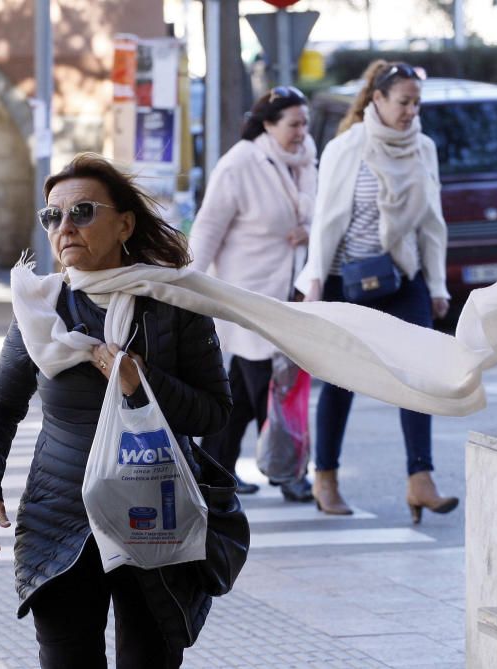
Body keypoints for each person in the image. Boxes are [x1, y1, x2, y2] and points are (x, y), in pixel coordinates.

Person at [0, 153, 233, 668]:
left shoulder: (172, 305)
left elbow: (215, 413)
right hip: (61, 517)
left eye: (83, 211)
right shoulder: (41, 312)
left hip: (156, 518)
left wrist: (144, 384)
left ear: (124, 223)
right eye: (53, 216)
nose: (65, 227)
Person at [294, 60, 457, 523]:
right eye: (403, 102)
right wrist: (315, 284)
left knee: (419, 377)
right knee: (342, 381)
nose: (410, 111)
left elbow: (432, 222)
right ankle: (325, 476)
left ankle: (420, 480)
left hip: (404, 280)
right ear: (378, 100)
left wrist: (438, 284)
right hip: (350, 281)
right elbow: (326, 221)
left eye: (416, 103)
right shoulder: (348, 148)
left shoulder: (423, 148)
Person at [188, 86, 318, 498]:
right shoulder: (240, 164)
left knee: (242, 393)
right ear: (267, 124)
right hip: (248, 294)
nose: (302, 132)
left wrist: (309, 232)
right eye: (293, 124)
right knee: (271, 385)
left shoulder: (306, 157)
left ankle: (213, 468)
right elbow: (208, 228)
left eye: (305, 123)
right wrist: (186, 285)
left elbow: (317, 213)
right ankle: (288, 472)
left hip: (289, 292)